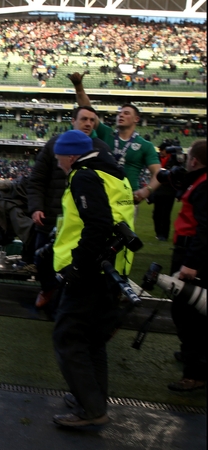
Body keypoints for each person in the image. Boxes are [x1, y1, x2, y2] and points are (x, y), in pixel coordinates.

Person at [50, 130, 134, 428]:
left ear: (71, 155)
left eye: (59, 157)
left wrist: (78, 266)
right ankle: (93, 399)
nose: (58, 163)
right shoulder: (115, 174)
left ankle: (90, 408)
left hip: (90, 273)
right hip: (112, 270)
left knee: (69, 338)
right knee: (94, 341)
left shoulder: (84, 177)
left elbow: (97, 225)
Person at [26, 106, 109, 309]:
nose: (88, 123)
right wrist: (36, 207)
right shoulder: (54, 144)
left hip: (80, 221)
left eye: (92, 120)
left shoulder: (101, 148)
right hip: (51, 216)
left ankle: (68, 299)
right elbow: (37, 179)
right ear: (73, 121)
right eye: (84, 119)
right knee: (43, 258)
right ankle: (47, 288)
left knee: (77, 262)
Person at [69, 72, 161, 208]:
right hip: (101, 194)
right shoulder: (107, 134)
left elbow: (158, 173)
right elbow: (88, 111)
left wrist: (146, 191)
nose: (121, 115)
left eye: (126, 113)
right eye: (119, 113)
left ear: (136, 119)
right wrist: (79, 87)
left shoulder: (145, 145)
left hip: (126, 199)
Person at [167, 139, 207, 392]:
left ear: (194, 160)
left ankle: (196, 372)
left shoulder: (204, 185)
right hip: (191, 250)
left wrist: (191, 263)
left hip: (193, 253)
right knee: (188, 313)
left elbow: (205, 228)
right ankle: (193, 358)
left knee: (188, 315)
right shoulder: (200, 181)